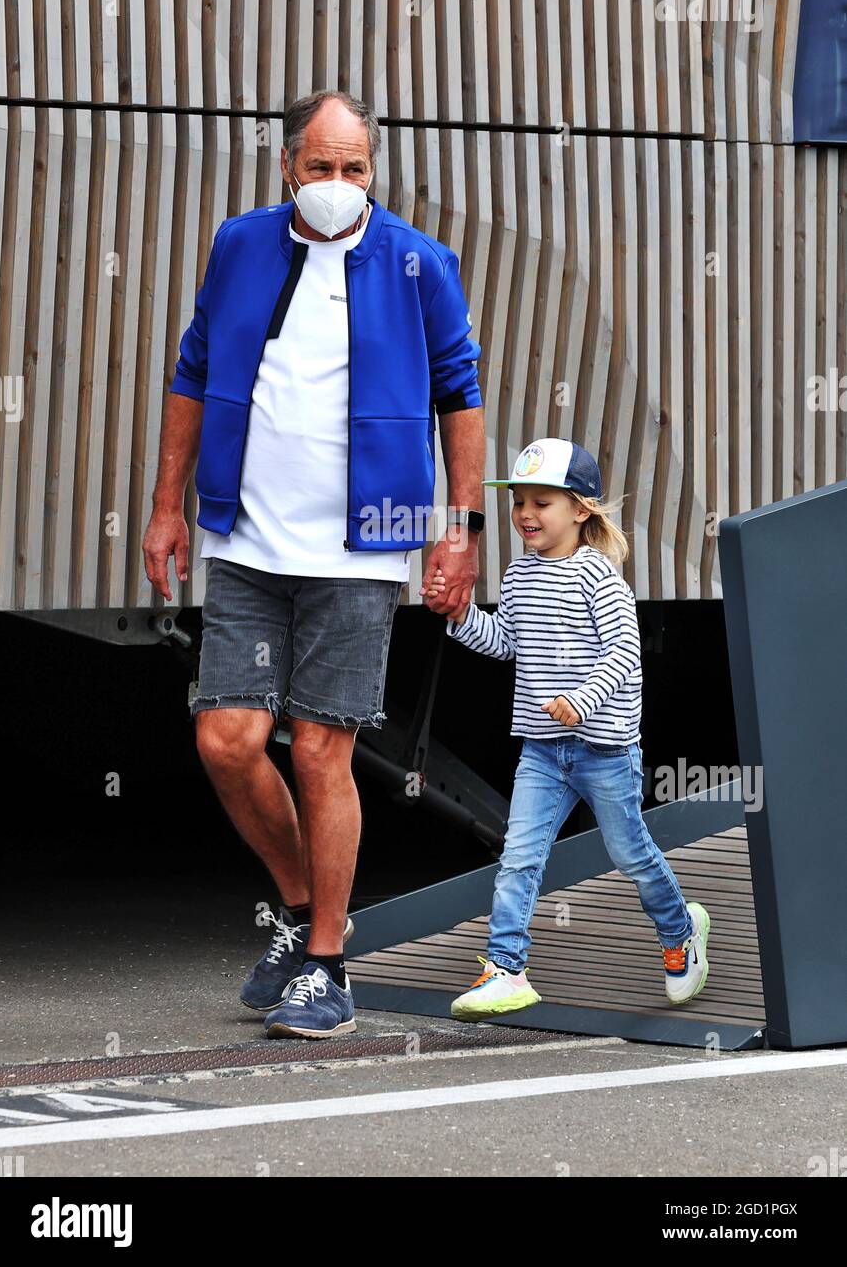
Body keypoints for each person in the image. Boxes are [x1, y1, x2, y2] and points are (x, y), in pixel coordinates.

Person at [142, 90, 486, 1038]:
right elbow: (195, 370)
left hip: (365, 539)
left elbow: (461, 391)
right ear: (289, 166)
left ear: (372, 171)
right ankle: (300, 913)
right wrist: (168, 506)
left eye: (356, 169)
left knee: (323, 749)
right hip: (247, 536)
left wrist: (458, 529)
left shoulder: (419, 262)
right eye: (322, 166)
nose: (340, 185)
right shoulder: (242, 244)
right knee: (227, 741)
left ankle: (328, 965)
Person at [424, 437, 711, 1019]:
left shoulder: (598, 576)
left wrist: (582, 701)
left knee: (630, 852)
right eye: (519, 503)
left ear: (581, 509)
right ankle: (506, 968)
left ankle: (681, 931)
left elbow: (624, 653)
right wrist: (459, 618)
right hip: (542, 751)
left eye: (542, 503)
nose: (526, 514)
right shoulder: (517, 575)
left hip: (604, 749)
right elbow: (507, 643)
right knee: (519, 858)